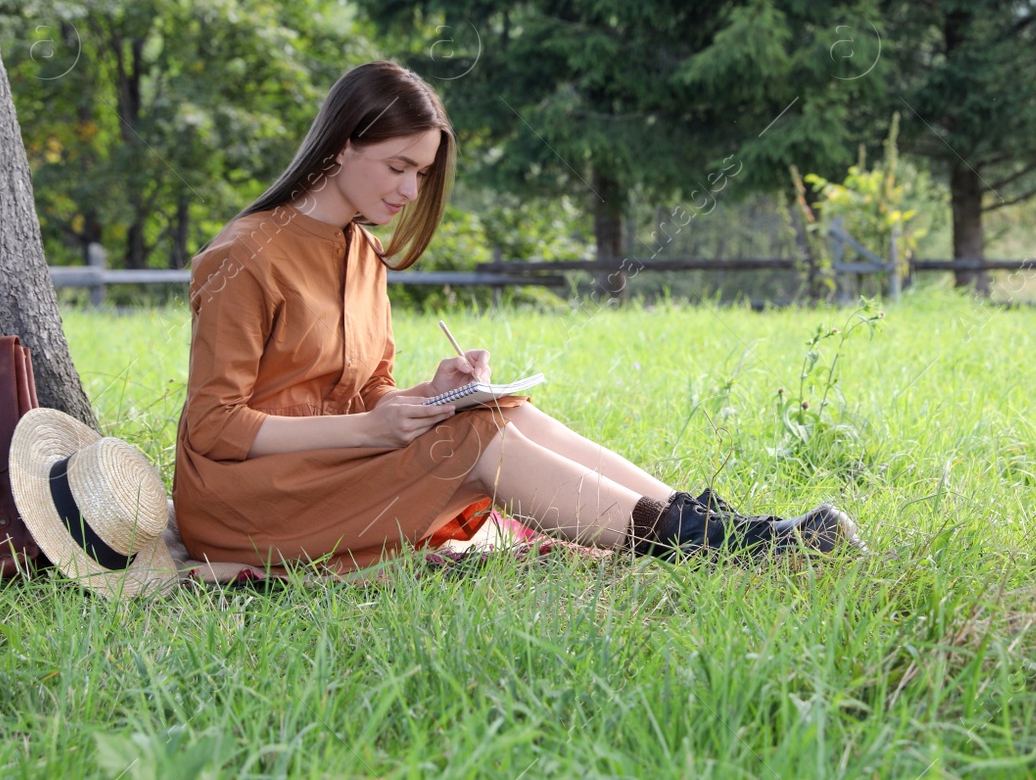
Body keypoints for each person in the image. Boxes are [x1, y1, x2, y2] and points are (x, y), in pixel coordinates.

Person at [171, 61, 861, 573]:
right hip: (247, 503)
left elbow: (364, 392)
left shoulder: (362, 251)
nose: (410, 191)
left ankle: (723, 529)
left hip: (334, 466)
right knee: (471, 444)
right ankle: (711, 545)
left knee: (502, 414)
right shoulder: (243, 256)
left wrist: (429, 394)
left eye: (422, 172)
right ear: (343, 145)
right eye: (398, 167)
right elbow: (214, 424)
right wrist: (373, 425)